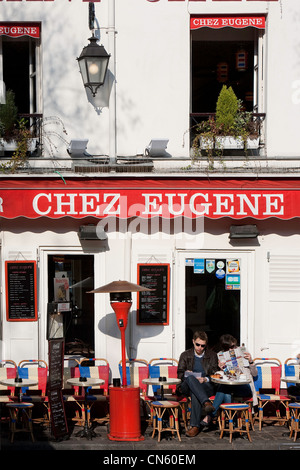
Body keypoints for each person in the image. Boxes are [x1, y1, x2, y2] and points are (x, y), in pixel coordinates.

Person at [205, 334, 258, 424]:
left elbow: (255, 374)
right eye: (227, 348)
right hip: (230, 385)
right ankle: (233, 423)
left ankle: (211, 416)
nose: (231, 350)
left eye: (233, 347)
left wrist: (251, 361)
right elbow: (221, 376)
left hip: (244, 386)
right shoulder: (220, 355)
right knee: (226, 392)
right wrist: (221, 368)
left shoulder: (243, 352)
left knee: (224, 389)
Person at [177, 330, 218, 437]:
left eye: (202, 346)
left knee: (195, 392)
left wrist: (205, 379)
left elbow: (214, 374)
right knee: (191, 378)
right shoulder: (185, 355)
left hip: (205, 385)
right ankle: (206, 403)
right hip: (187, 384)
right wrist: (187, 374)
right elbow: (180, 374)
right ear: (193, 341)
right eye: (197, 344)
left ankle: (195, 426)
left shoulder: (212, 355)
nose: (200, 347)